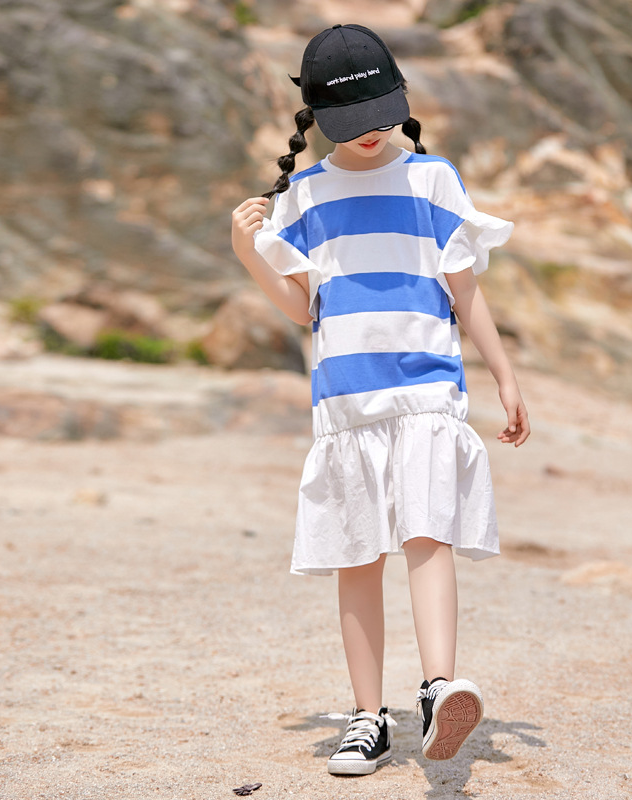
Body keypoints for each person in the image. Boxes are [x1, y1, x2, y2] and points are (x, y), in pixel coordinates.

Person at [231, 23, 530, 777]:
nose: (370, 132)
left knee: (429, 536)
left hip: (428, 392)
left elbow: (464, 287)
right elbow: (304, 310)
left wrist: (504, 373)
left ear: (401, 99)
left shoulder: (433, 179)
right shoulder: (305, 195)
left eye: (382, 112)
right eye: (351, 119)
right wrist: (248, 253)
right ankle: (368, 719)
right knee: (357, 556)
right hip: (346, 408)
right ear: (318, 119)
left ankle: (438, 690)